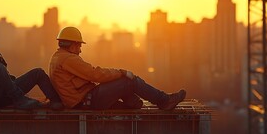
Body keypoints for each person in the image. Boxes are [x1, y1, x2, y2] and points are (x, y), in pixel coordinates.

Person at [49, 26, 186, 110]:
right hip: (88, 101)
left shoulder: (58, 57)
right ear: (72, 44)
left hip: (84, 100)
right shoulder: (69, 59)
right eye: (79, 46)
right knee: (129, 81)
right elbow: (96, 75)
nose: (80, 50)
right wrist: (121, 72)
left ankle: (132, 102)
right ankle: (164, 101)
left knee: (126, 90)